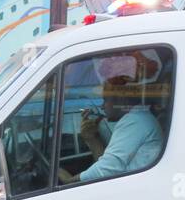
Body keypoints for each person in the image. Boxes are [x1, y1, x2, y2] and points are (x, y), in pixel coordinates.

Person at [58, 52, 164, 183]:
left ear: (120, 99)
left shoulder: (135, 120)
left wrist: (68, 181)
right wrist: (92, 139)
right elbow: (108, 168)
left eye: (105, 100)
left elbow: (107, 170)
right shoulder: (139, 118)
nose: (102, 107)